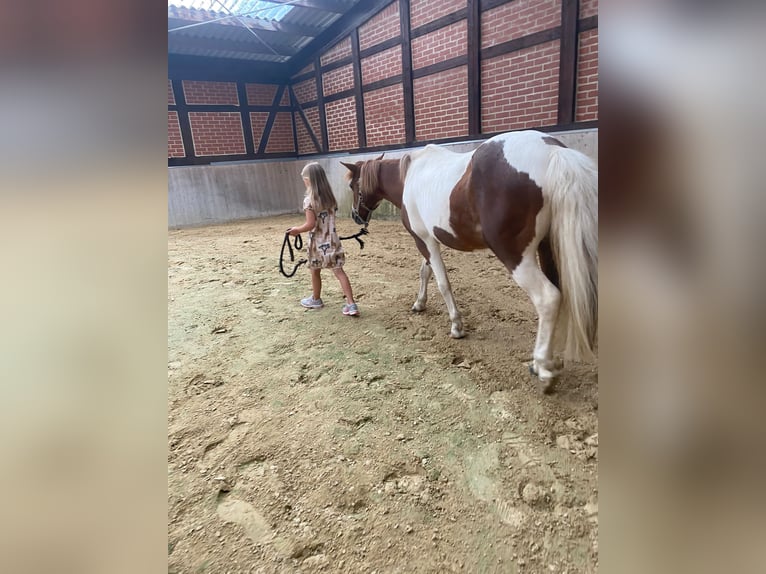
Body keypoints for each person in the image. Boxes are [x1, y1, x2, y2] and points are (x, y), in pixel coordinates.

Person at [286, 162, 359, 316]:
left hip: (316, 244)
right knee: (339, 272)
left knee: (314, 271)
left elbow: (310, 224)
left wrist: (296, 230)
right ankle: (351, 304)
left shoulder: (309, 201)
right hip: (332, 241)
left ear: (308, 181)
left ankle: (316, 299)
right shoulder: (330, 199)